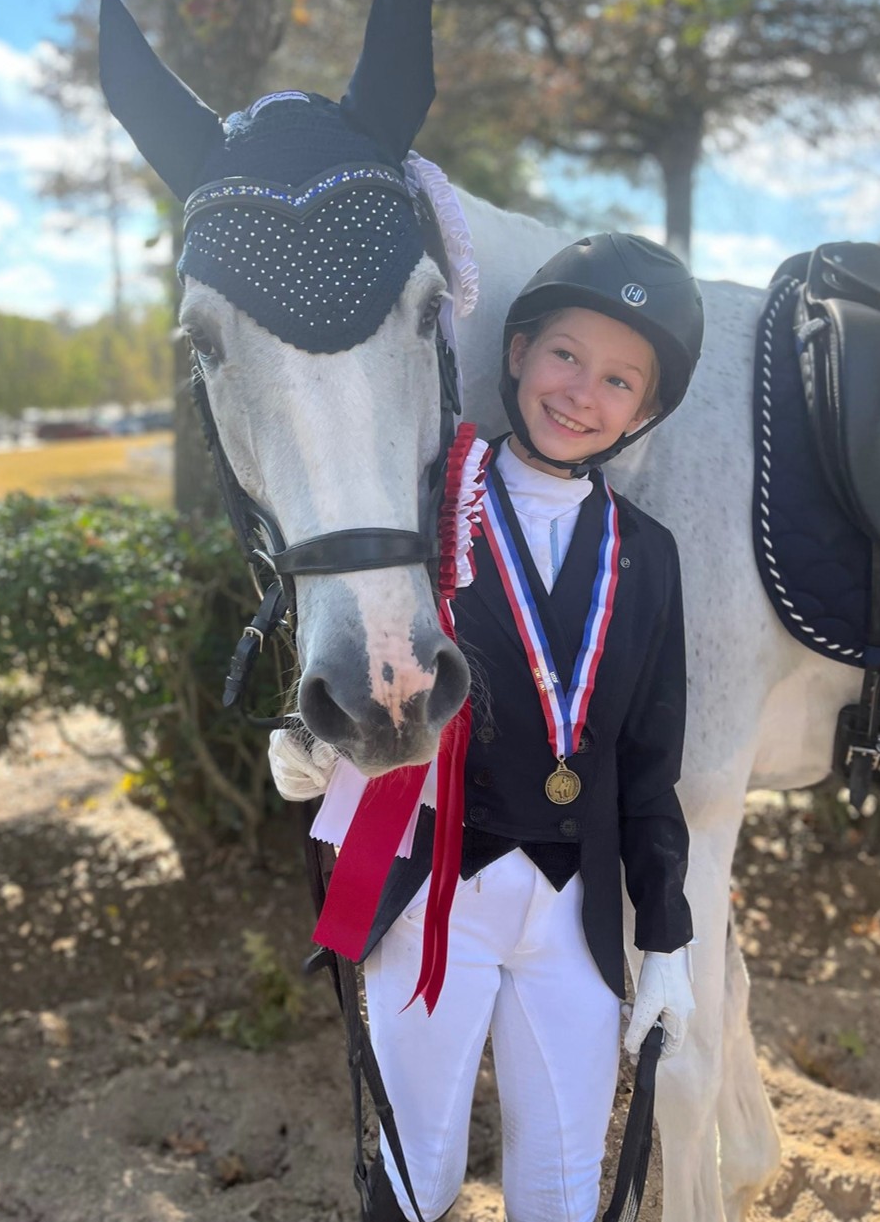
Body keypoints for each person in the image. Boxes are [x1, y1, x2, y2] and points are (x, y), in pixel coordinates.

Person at [269, 233, 704, 1222]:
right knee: (417, 1171)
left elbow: (649, 766)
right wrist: (312, 740)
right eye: (564, 354)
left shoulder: (650, 556)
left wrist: (668, 938)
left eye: (619, 379)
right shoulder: (425, 511)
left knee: (562, 1186)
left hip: (573, 916)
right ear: (516, 352)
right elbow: (360, 647)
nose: (581, 392)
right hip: (434, 898)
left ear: (644, 411)